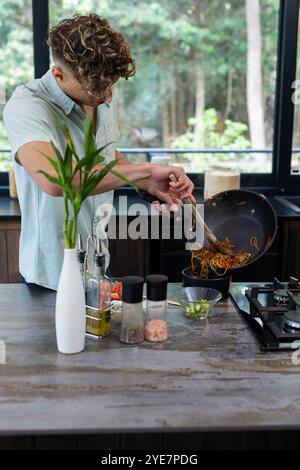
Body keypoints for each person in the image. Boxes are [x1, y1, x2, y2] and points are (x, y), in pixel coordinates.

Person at [3, 13, 194, 290]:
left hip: (97, 264)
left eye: (110, 85)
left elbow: (106, 155)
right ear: (59, 74)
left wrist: (146, 183)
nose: (107, 96)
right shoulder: (27, 106)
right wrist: (145, 170)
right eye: (96, 89)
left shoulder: (100, 93)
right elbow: (57, 179)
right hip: (50, 276)